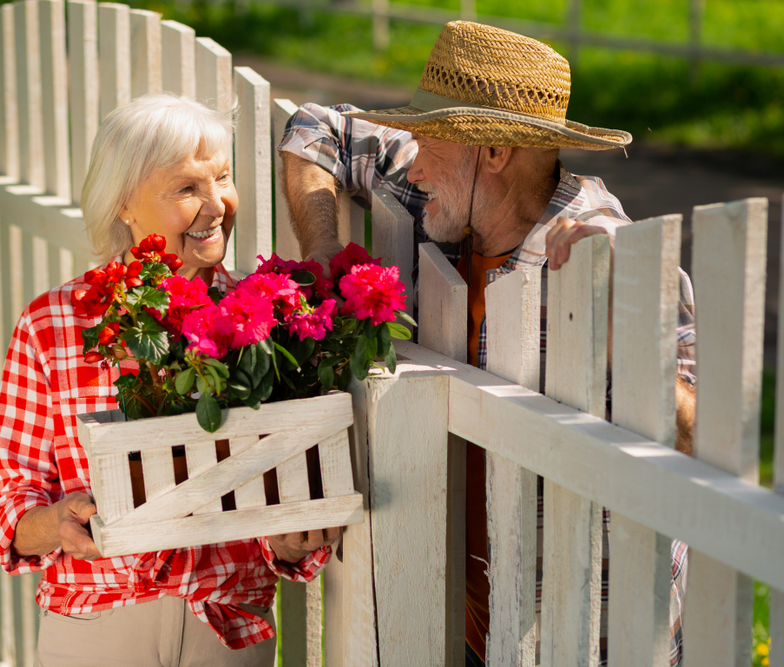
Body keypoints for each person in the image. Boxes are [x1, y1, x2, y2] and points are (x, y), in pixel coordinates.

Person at [278, 22, 696, 666]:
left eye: (429, 141)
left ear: (495, 151)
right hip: (464, 624)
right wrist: (324, 251)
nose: (412, 162)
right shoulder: (442, 191)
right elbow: (314, 127)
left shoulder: (609, 257)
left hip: (589, 641)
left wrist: (628, 324)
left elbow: (707, 445)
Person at [0, 94, 338, 667]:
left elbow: (294, 487)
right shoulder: (55, 324)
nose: (216, 204)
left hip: (228, 626)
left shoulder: (269, 318)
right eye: (186, 189)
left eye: (221, 179)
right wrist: (56, 523)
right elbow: (9, 499)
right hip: (98, 623)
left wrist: (291, 539)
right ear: (125, 205)